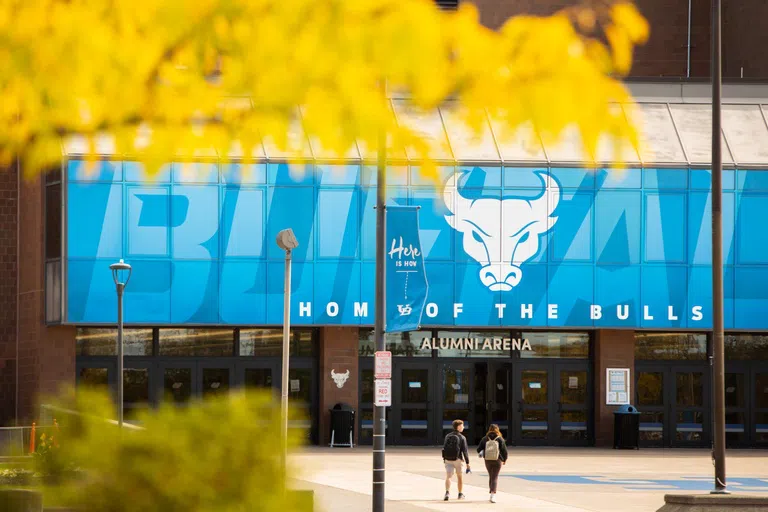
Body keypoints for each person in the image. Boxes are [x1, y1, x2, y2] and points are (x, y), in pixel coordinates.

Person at [477, 424, 508, 503]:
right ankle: (493, 494)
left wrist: (484, 452)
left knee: (491, 476)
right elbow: (504, 451)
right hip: (497, 460)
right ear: (497, 429)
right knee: (495, 477)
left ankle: (491, 492)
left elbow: (478, 449)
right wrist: (504, 459)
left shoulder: (485, 438)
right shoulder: (500, 439)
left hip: (488, 460)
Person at [442, 419, 470, 501]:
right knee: (459, 477)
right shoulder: (462, 437)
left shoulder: (448, 436)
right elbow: (465, 451)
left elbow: (444, 447)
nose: (463, 427)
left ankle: (447, 493)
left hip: (447, 459)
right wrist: (468, 463)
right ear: (458, 427)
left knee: (448, 476)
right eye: (462, 425)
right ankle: (460, 494)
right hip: (458, 459)